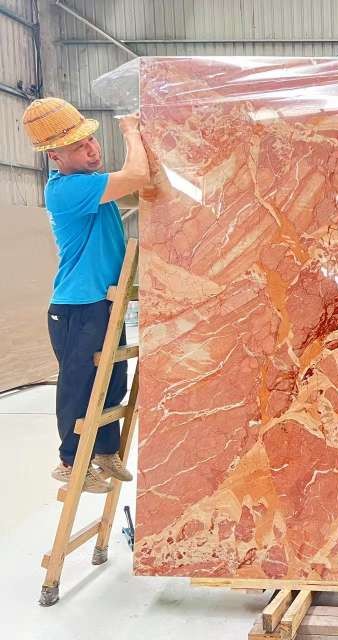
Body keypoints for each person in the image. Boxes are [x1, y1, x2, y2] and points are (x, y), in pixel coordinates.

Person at [22, 98, 149, 493]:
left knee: (112, 379)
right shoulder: (69, 189)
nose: (92, 149)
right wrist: (131, 129)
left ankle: (105, 450)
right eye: (79, 146)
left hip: (104, 300)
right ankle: (69, 461)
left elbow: (139, 187)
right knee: (79, 387)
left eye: (91, 140)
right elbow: (137, 176)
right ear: (55, 156)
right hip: (77, 305)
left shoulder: (93, 184)